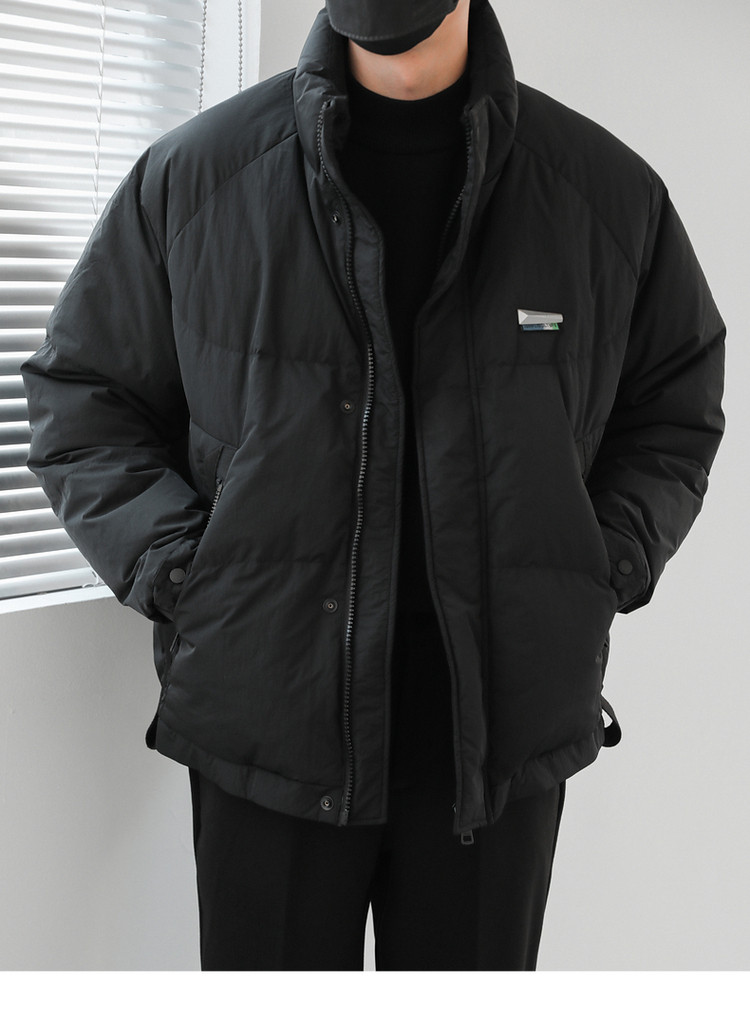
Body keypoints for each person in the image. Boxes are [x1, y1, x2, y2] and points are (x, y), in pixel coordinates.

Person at [21, 0, 726, 970]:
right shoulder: (198, 178)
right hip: (266, 720)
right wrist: (187, 574)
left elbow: (674, 408)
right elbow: (83, 398)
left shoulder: (601, 193)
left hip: (495, 738)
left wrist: (597, 567)